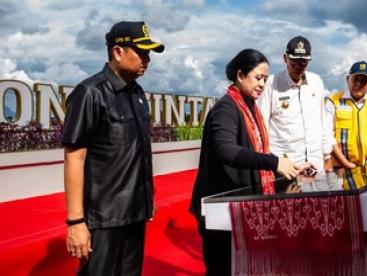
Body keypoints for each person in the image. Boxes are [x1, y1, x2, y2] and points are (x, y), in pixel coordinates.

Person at [61, 21, 164, 275]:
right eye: (141, 52)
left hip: (136, 214)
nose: (146, 59)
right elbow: (75, 157)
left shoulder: (138, 94)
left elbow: (138, 153)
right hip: (103, 218)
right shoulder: (89, 93)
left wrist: (147, 198)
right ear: (118, 52)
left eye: (148, 53)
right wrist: (76, 223)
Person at [189, 49, 302, 276]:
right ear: (240, 76)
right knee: (223, 268)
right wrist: (273, 162)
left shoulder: (251, 107)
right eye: (257, 78)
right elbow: (226, 150)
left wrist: (285, 168)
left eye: (265, 79)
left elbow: (254, 151)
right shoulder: (226, 108)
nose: (262, 84)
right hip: (220, 207)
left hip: (239, 205)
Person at [257, 36, 333, 171]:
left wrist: (327, 155)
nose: (298, 66)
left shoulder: (316, 82)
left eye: (303, 62)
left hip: (315, 165)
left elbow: (322, 121)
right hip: (286, 166)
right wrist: (269, 161)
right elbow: (261, 125)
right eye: (294, 62)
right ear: (285, 58)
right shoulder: (271, 83)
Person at [325, 61, 367, 167]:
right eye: (356, 79)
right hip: (338, 168)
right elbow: (327, 136)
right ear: (347, 79)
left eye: (364, 81)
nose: (359, 84)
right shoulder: (333, 101)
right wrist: (346, 164)